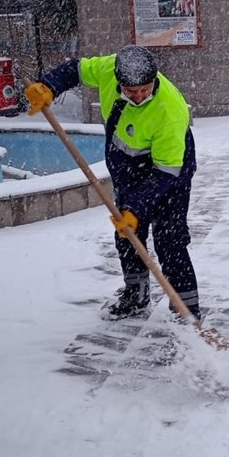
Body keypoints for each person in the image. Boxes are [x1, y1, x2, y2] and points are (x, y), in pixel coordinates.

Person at [24, 45, 201, 321]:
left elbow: (166, 173)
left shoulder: (169, 111)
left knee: (170, 239)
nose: (140, 96)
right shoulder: (108, 69)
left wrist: (137, 207)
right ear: (119, 81)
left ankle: (187, 311)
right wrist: (49, 86)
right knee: (127, 234)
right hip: (128, 162)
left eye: (145, 89)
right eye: (132, 91)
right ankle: (136, 295)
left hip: (169, 170)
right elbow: (76, 70)